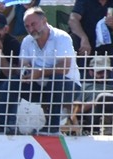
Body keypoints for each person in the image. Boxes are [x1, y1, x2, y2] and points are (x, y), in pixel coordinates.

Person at [19, 5, 81, 133]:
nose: (31, 29)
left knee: (56, 79)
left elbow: (64, 68)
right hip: (39, 85)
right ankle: (4, 124)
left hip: (68, 86)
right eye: (27, 26)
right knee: (13, 82)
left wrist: (40, 73)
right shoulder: (27, 41)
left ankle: (53, 127)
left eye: (33, 24)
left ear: (44, 21)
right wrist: (26, 71)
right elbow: (23, 65)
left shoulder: (62, 37)